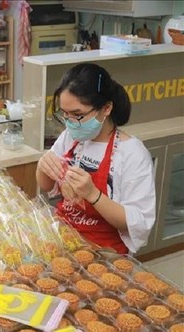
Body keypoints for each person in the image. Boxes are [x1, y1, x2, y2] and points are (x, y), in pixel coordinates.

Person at [36, 63, 155, 254]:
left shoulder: (131, 152)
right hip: (64, 237)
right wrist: (43, 166)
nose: (70, 122)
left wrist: (93, 195)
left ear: (106, 108)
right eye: (65, 114)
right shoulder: (70, 136)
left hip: (105, 249)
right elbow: (46, 186)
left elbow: (136, 223)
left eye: (78, 115)